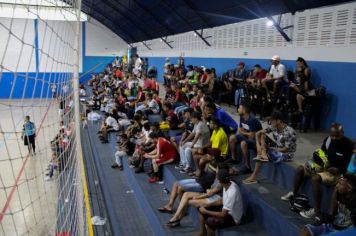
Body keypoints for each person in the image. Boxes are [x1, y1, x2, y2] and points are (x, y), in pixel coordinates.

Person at [281, 123, 354, 219]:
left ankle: (316, 210)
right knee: (300, 169)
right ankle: (294, 193)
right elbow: (322, 153)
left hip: (337, 173)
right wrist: (317, 160)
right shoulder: (328, 140)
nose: (334, 138)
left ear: (342, 133)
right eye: (332, 135)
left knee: (315, 178)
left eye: (337, 135)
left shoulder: (349, 145)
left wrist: (338, 170)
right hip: (325, 167)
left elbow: (350, 166)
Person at [166, 164, 231, 227]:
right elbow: (209, 191)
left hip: (215, 198)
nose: (216, 171)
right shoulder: (218, 176)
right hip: (207, 193)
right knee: (186, 194)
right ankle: (176, 217)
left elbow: (209, 194)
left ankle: (177, 218)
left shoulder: (221, 180)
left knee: (188, 202)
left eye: (217, 169)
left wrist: (198, 197)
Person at [243, 111, 297, 184]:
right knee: (262, 135)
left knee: (261, 154)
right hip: (277, 148)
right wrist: (258, 145)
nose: (271, 122)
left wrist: (270, 148)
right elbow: (258, 133)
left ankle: (253, 177)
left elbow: (285, 149)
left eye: (272, 121)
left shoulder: (289, 132)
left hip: (286, 154)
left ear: (278, 121)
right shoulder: (274, 127)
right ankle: (263, 154)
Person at [195, 169, 243, 236]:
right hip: (226, 210)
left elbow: (223, 214)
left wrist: (206, 211)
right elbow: (223, 201)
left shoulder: (232, 192)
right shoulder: (227, 184)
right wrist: (209, 204)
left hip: (233, 218)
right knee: (202, 207)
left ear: (220, 181)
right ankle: (203, 232)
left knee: (209, 222)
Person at [229, 103, 262, 172]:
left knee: (243, 143)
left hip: (256, 140)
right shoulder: (242, 116)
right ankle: (234, 158)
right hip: (247, 136)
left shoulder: (252, 119)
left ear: (244, 110)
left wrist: (244, 132)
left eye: (239, 108)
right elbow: (240, 129)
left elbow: (252, 135)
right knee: (232, 138)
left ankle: (247, 166)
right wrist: (246, 133)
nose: (238, 109)